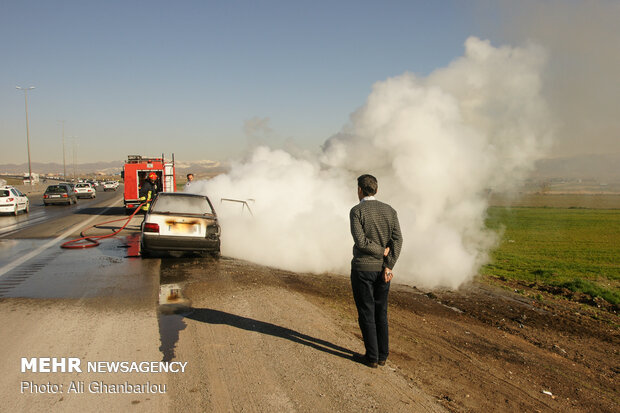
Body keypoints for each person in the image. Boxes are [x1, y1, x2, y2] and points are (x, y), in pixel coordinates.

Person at [350, 174, 402, 368]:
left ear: (360, 190)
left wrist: (380, 252)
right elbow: (398, 240)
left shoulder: (356, 211)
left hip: (363, 269)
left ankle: (371, 357)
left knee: (366, 311)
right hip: (383, 271)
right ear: (377, 190)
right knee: (381, 311)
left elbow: (361, 241)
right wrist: (389, 264)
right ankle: (382, 355)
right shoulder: (390, 211)